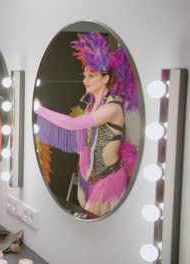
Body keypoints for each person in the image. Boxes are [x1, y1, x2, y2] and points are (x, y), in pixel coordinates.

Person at [34, 32, 138, 217]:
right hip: (89, 181)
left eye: (91, 76)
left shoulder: (112, 108)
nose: (85, 80)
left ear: (105, 78)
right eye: (84, 75)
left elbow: (74, 124)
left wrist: (39, 109)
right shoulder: (91, 105)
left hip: (109, 180)